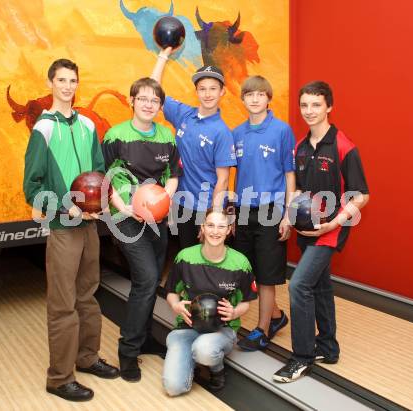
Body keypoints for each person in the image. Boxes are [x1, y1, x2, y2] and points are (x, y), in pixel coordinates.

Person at [23, 58, 119, 402]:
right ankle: (59, 378)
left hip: (89, 227)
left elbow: (97, 173)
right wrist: (66, 206)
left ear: (78, 84)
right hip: (63, 227)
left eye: (73, 80)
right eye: (61, 80)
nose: (67, 86)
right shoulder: (43, 129)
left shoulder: (88, 126)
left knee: (88, 295)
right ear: (51, 83)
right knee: (63, 304)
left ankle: (87, 358)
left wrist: (102, 200)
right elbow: (32, 188)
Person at [273, 81, 369, 383]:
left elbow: (361, 196)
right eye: (305, 105)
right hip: (306, 229)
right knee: (320, 286)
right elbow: (300, 189)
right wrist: (289, 217)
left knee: (298, 286)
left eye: (316, 105)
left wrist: (335, 222)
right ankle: (328, 347)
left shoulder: (343, 145)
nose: (309, 111)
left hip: (330, 230)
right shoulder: (301, 147)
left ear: (329, 107)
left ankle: (301, 357)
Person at [102, 77, 181, 382]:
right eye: (143, 98)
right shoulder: (115, 135)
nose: (149, 104)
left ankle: (146, 338)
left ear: (160, 107)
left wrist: (164, 198)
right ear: (131, 100)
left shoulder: (166, 135)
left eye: (155, 101)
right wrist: (123, 207)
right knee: (147, 280)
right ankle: (128, 351)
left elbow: (172, 175)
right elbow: (103, 177)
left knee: (151, 279)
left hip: (157, 217)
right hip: (125, 218)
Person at [162, 209, 256, 396]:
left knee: (204, 349)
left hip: (222, 329)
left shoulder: (240, 263)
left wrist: (235, 312)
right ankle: (190, 359)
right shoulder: (185, 257)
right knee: (174, 388)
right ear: (202, 228)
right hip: (187, 328)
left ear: (229, 230)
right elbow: (171, 292)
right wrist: (175, 305)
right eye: (210, 225)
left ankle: (216, 369)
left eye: (221, 226)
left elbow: (247, 302)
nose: (215, 231)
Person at [233, 76, 296, 351]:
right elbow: (230, 173)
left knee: (268, 276)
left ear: (269, 98)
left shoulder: (282, 131)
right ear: (243, 99)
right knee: (249, 271)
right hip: (244, 209)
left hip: (272, 210)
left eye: (260, 94)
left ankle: (262, 329)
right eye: (250, 95)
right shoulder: (236, 133)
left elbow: (290, 174)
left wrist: (287, 214)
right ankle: (277, 316)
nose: (255, 99)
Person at [151, 47, 237, 249]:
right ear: (196, 91)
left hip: (204, 209)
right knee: (186, 259)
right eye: (203, 88)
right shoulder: (183, 114)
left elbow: (223, 181)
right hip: (181, 204)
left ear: (222, 91)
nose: (207, 94)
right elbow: (152, 90)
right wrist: (163, 57)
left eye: (213, 88)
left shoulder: (222, 133)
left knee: (205, 263)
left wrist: (212, 219)